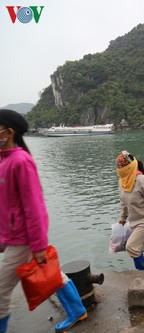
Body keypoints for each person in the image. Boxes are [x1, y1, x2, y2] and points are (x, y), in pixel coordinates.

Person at [0, 109, 87, 333]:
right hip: (15, 237)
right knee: (53, 275)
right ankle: (77, 310)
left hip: (23, 240)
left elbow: (35, 207)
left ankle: (77, 310)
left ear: (8, 132)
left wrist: (38, 245)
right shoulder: (5, 160)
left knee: (0, 294)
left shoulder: (20, 161)